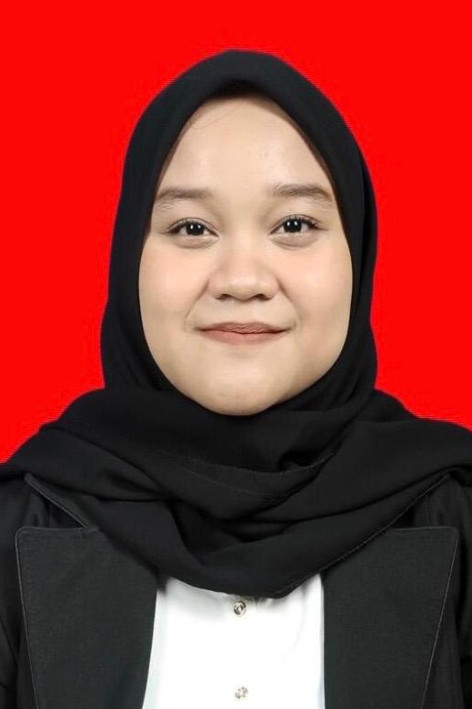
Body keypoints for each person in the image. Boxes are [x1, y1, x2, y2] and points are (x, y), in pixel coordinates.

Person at [0, 48, 471, 709]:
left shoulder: (453, 514)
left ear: (357, 255)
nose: (243, 280)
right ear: (130, 257)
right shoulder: (21, 521)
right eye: (192, 227)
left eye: (294, 225)